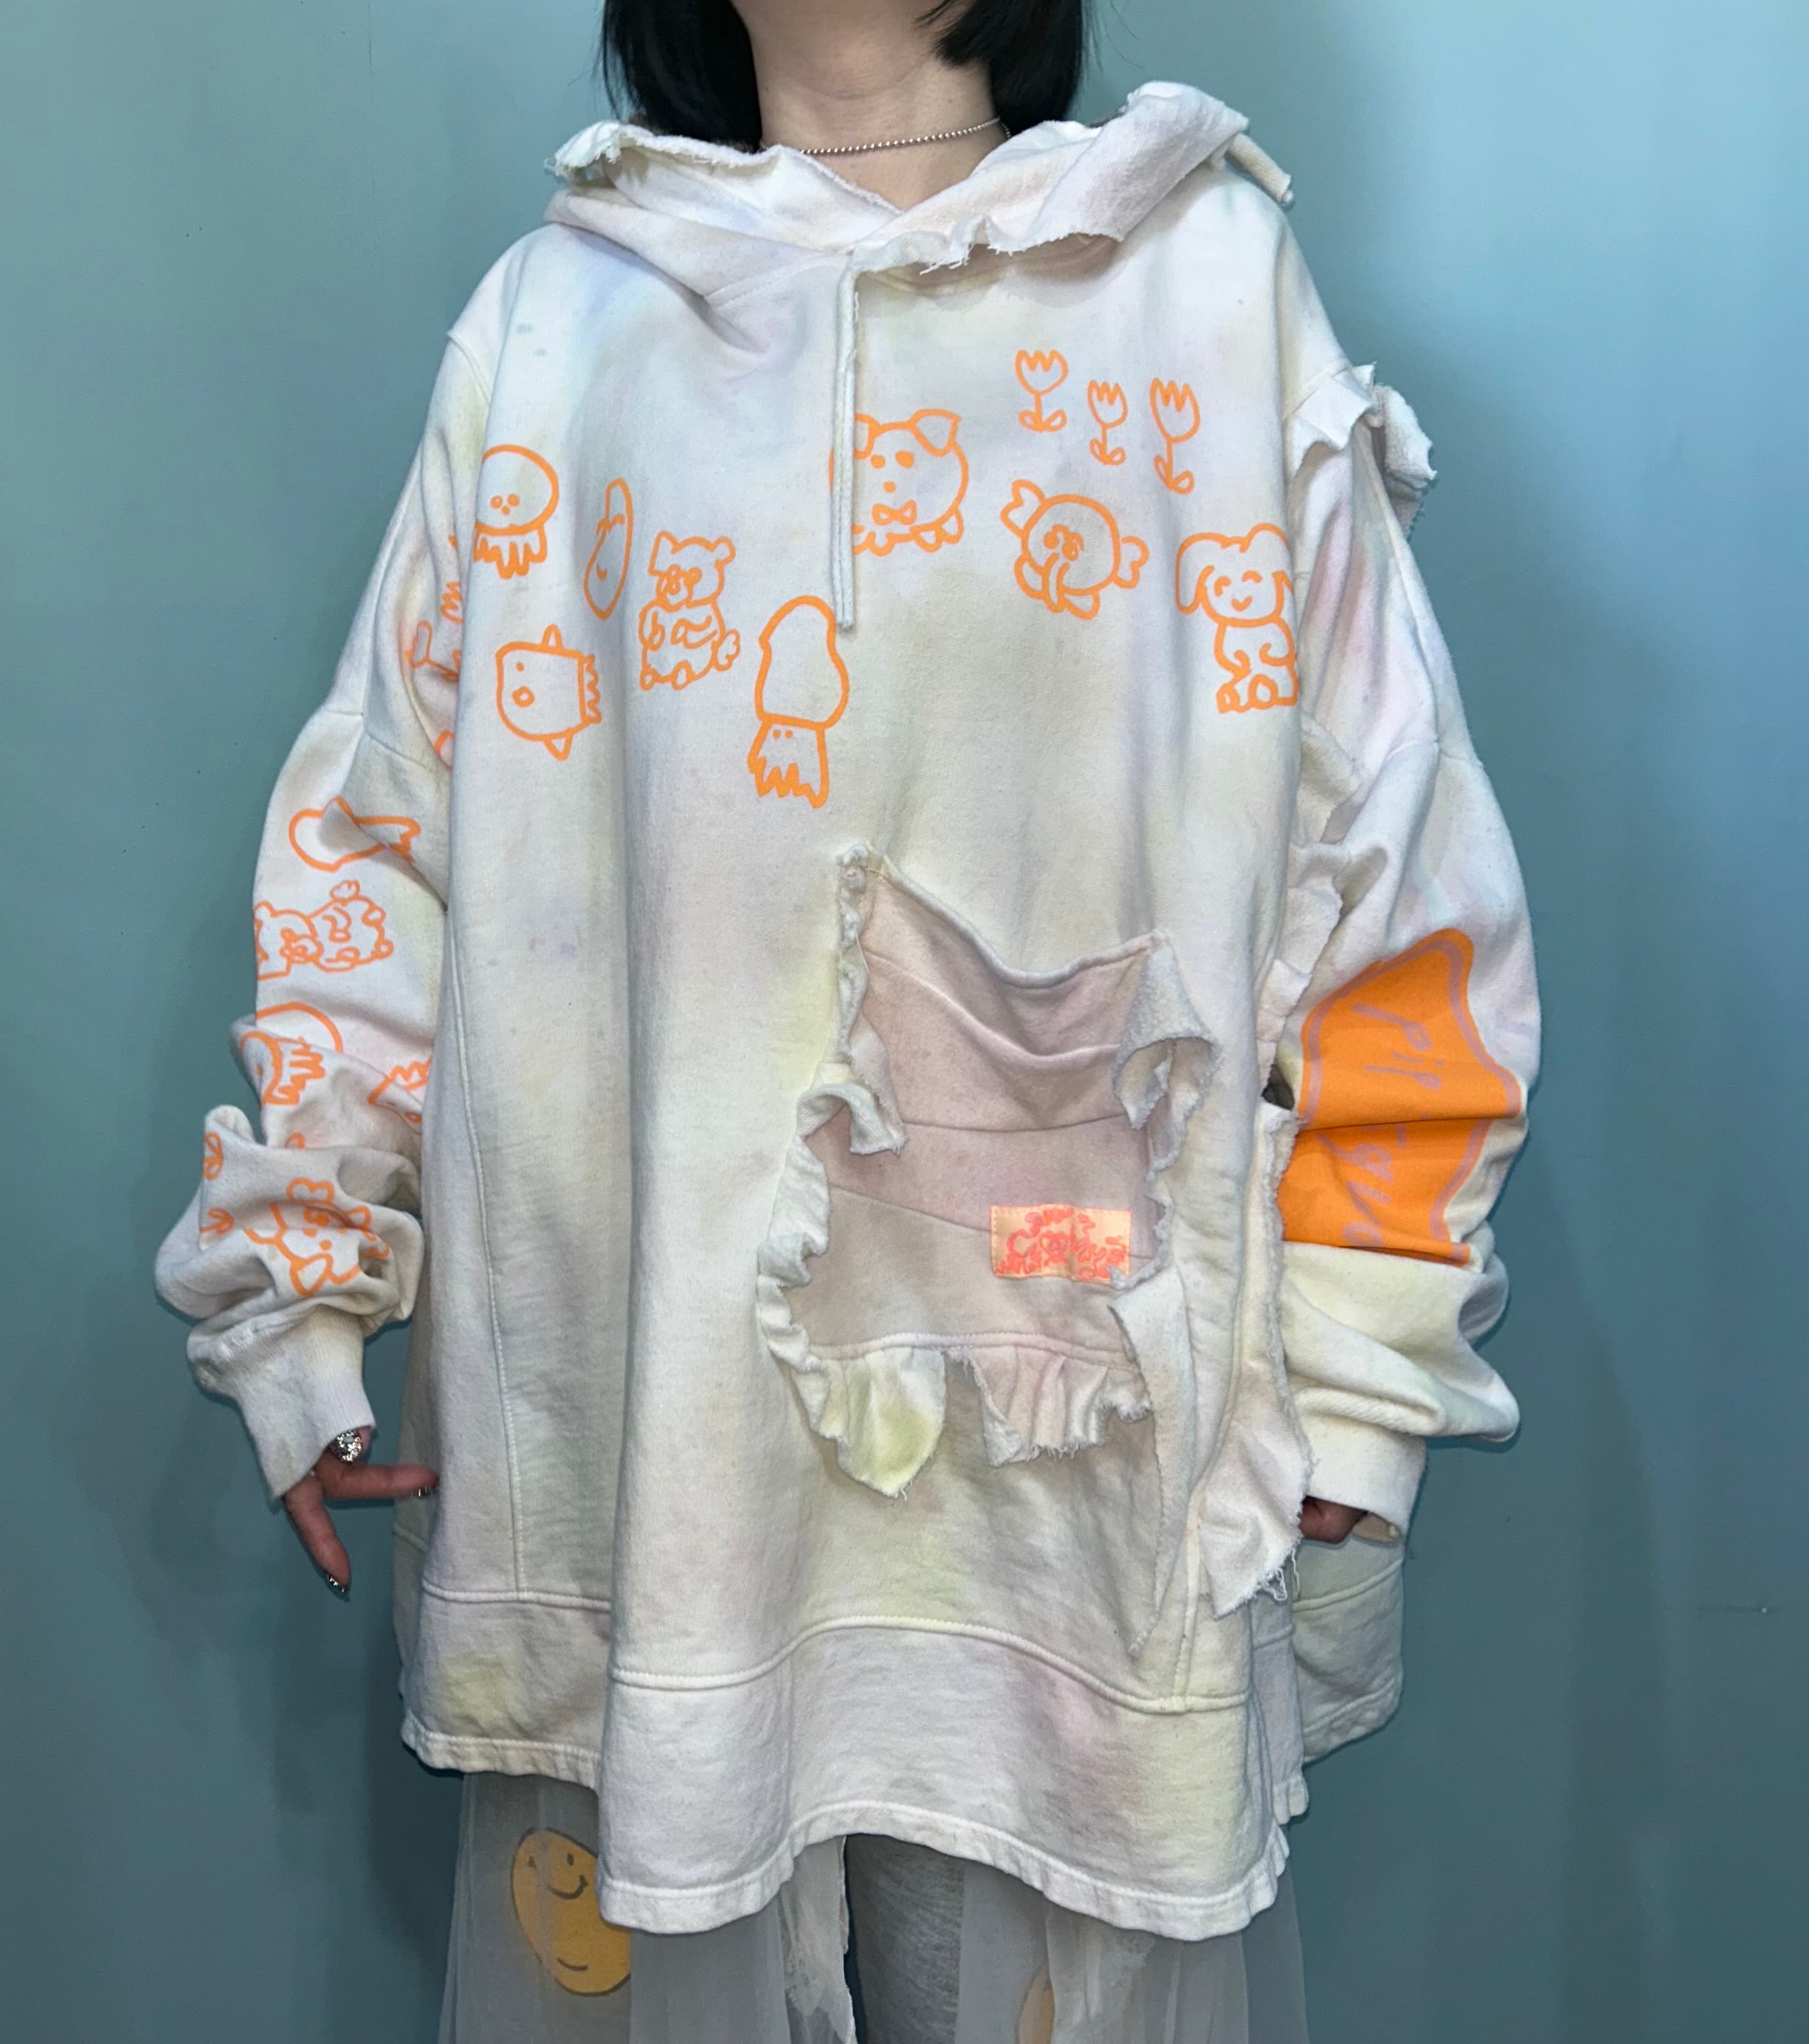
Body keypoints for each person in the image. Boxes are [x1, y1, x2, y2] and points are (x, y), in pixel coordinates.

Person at [156, 1, 1539, 2037]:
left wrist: (1370, 1365)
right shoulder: (560, 323)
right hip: (654, 1461)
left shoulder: (1205, 288)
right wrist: (301, 1273)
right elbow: (381, 836)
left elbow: (1399, 871)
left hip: (1077, 1455)